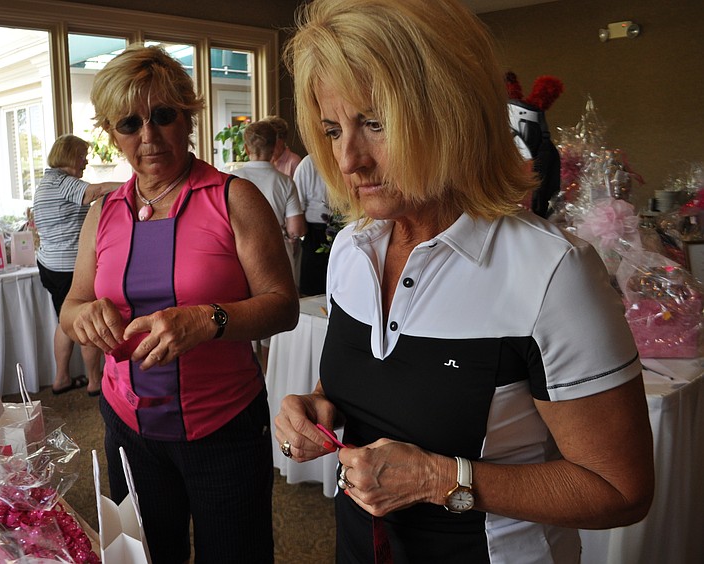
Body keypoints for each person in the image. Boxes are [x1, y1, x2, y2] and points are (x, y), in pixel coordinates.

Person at [273, 1, 654, 563]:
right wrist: (317, 406)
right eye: (333, 130)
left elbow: (621, 490)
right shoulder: (353, 252)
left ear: (449, 113)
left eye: (375, 123)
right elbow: (381, 384)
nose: (349, 158)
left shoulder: (551, 272)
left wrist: (437, 479)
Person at [59, 44, 298, 563]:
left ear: (188, 117)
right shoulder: (104, 214)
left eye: (163, 116)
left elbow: (283, 306)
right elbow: (73, 304)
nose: (148, 136)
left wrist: (208, 319)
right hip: (127, 424)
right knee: (146, 554)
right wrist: (86, 317)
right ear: (111, 133)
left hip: (223, 426)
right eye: (129, 123)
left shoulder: (234, 198)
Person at [33, 134, 122, 396]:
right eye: (82, 155)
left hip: (49, 264)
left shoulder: (46, 184)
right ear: (70, 155)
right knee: (87, 319)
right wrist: (137, 183)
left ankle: (61, 379)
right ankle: (95, 382)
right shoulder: (64, 183)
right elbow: (94, 192)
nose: (85, 160)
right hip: (68, 266)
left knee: (64, 321)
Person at [235, 119, 307, 289]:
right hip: (278, 251)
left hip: (240, 253)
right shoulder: (286, 182)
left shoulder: (230, 179)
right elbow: (296, 229)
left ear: (246, 148)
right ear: (274, 147)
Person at [294, 154, 331, 296]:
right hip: (315, 231)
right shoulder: (308, 163)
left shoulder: (343, 157)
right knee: (312, 288)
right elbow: (298, 204)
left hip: (343, 227)